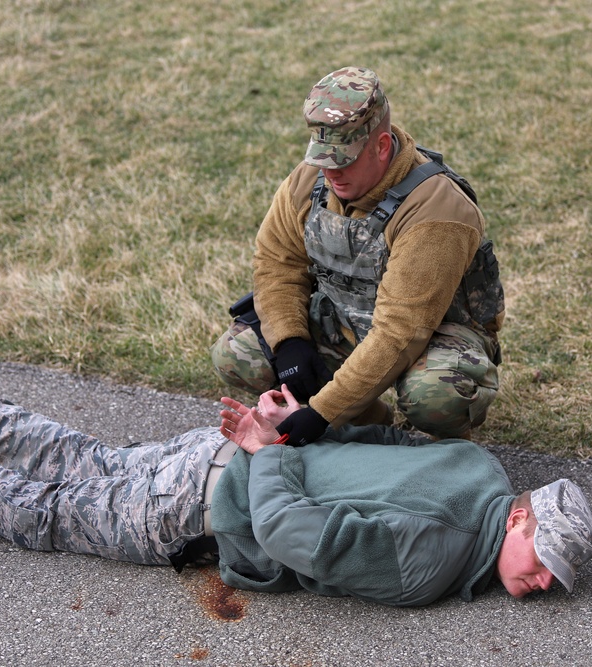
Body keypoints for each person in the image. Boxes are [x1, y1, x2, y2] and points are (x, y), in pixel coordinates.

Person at [0, 363, 592, 607]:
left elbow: (374, 436)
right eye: (540, 558)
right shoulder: (437, 561)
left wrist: (288, 424)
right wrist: (269, 450)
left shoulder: (481, 467)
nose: (535, 580)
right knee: (44, 513)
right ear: (523, 516)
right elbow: (296, 536)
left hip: (223, 452)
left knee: (88, 459)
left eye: (549, 579)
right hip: (215, 498)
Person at [210, 66, 506, 447]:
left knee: (437, 394)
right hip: (345, 319)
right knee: (237, 354)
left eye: (344, 161)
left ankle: (445, 452)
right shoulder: (307, 182)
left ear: (382, 147)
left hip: (432, 336)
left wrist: (320, 413)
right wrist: (290, 342)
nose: (331, 174)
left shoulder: (437, 211)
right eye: (323, 159)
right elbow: (276, 262)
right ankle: (371, 425)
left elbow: (401, 332)